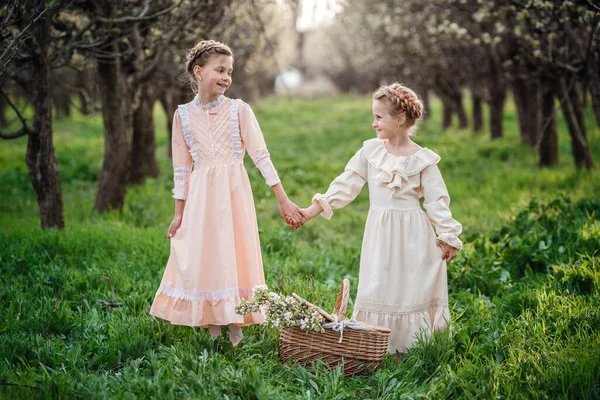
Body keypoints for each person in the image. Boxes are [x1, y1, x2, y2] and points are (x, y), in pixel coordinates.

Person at [149, 40, 305, 346]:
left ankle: (236, 324)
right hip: (201, 199)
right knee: (205, 252)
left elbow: (261, 156)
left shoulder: (239, 111)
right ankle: (213, 325)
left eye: (229, 71)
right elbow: (181, 168)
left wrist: (282, 197)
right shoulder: (181, 116)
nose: (226, 77)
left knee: (233, 250)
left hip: (234, 195)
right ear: (198, 71)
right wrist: (179, 213)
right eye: (219, 70)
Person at [301, 82, 462, 354]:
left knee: (410, 286)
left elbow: (437, 201)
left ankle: (412, 347)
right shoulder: (370, 152)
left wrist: (448, 236)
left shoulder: (423, 160)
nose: (373, 123)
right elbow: (346, 184)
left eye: (379, 117)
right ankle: (374, 343)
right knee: (377, 284)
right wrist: (311, 211)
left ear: (399, 119)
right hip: (380, 232)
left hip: (413, 234)